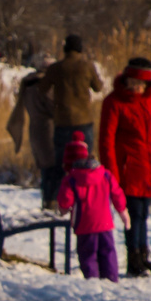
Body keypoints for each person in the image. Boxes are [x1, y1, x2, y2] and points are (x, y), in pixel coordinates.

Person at [98, 57, 151, 277]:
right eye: (134, 83)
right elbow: (106, 141)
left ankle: (143, 256)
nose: (137, 88)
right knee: (133, 214)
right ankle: (134, 260)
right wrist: (112, 175)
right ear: (126, 79)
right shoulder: (114, 102)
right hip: (127, 170)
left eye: (141, 84)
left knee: (144, 213)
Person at [41, 34, 103, 211]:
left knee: (61, 162)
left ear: (65, 49)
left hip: (62, 120)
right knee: (85, 163)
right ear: (80, 48)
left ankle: (58, 201)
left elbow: (42, 88)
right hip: (83, 120)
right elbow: (98, 87)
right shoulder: (86, 66)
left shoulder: (55, 68)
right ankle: (84, 202)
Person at [56, 132, 128, 283]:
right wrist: (123, 212)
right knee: (108, 252)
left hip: (85, 225)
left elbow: (65, 201)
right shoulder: (105, 174)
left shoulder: (71, 180)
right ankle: (111, 280)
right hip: (105, 224)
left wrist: (63, 208)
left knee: (88, 255)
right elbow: (117, 193)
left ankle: (92, 282)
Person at [7, 58, 56, 207]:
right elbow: (53, 108)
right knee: (52, 169)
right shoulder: (44, 86)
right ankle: (50, 204)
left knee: (45, 169)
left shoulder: (27, 85)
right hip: (48, 130)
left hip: (34, 130)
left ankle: (47, 201)